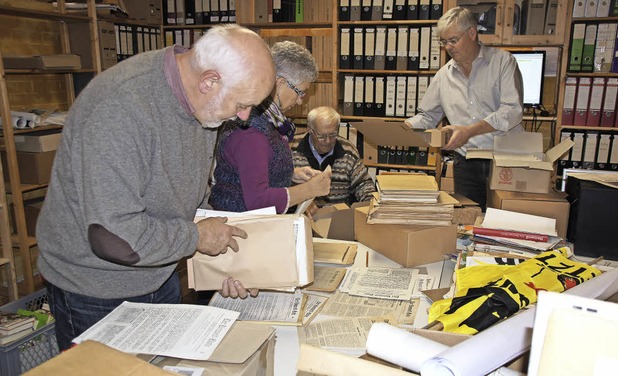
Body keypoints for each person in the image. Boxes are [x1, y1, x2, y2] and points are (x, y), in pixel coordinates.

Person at [36, 24, 276, 351]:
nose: (244, 117)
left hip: (159, 272)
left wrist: (223, 267)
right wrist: (197, 238)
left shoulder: (204, 105)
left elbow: (189, 201)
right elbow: (114, 237)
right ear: (209, 80)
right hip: (96, 288)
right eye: (242, 104)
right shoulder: (121, 106)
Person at [404, 6, 524, 210]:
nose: (448, 47)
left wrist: (469, 131)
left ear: (471, 33)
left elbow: (512, 111)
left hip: (504, 160)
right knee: (468, 223)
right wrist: (404, 127)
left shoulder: (503, 62)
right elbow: (427, 116)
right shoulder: (443, 76)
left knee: (504, 225)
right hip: (465, 163)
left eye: (453, 40)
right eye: (443, 42)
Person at [209, 41, 331, 213]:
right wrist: (309, 190)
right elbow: (258, 201)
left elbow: (252, 170)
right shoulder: (251, 131)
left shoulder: (268, 118)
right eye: (300, 92)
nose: (300, 101)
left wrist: (291, 173)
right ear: (280, 83)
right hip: (242, 229)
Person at [291, 106, 375, 207]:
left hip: (338, 217)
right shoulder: (291, 148)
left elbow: (363, 184)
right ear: (310, 130)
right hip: (299, 218)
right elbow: (277, 187)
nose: (328, 141)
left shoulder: (348, 150)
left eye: (333, 135)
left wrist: (371, 204)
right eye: (321, 136)